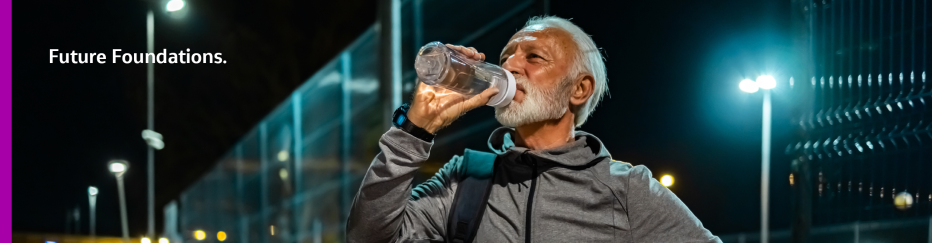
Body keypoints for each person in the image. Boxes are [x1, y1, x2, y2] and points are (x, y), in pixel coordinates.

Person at [347, 16, 720, 243]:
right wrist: (414, 131)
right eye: (506, 55)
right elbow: (368, 237)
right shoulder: (466, 177)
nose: (509, 66)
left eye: (534, 57)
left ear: (579, 90)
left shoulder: (627, 188)